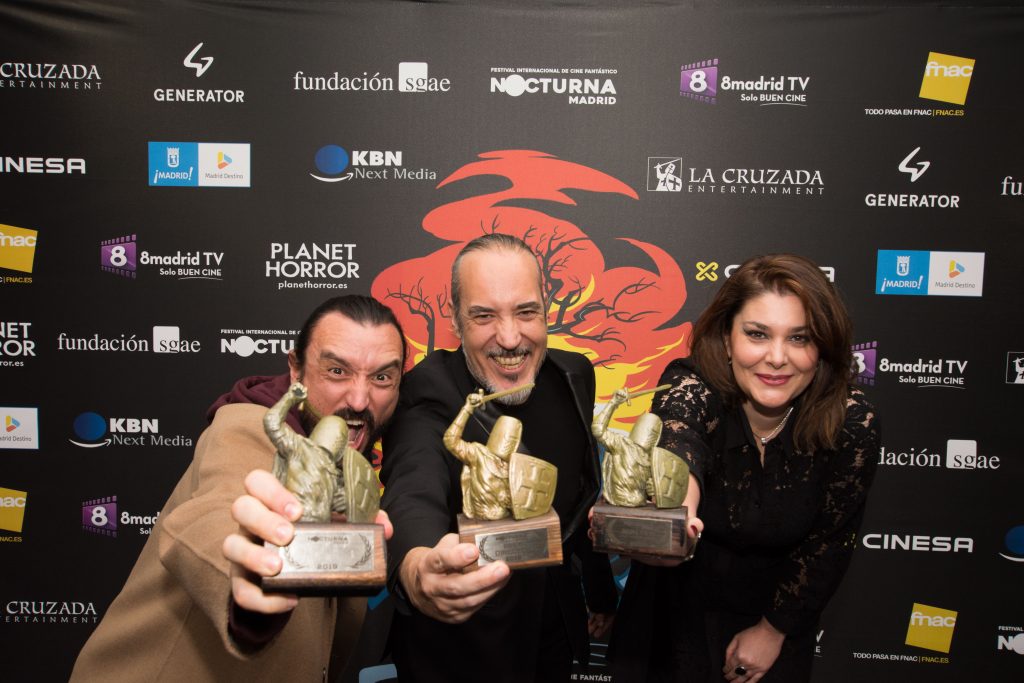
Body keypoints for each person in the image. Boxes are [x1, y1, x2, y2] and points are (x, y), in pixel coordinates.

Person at [70, 295, 405, 683]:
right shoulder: (248, 428)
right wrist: (248, 582)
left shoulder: (350, 467)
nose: (359, 399)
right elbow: (219, 512)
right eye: (336, 371)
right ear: (296, 372)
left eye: (381, 377)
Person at [608, 254, 879, 683]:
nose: (776, 358)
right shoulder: (691, 385)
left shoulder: (851, 423)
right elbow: (680, 454)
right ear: (727, 338)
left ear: (823, 347)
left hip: (776, 618)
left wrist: (773, 631)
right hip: (672, 617)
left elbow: (829, 544)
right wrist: (677, 519)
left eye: (799, 338)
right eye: (757, 334)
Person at [379, 233, 618, 682]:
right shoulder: (428, 391)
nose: (510, 338)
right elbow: (414, 486)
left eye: (526, 312)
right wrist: (419, 568)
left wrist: (603, 596)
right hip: (464, 650)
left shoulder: (574, 375)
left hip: (556, 637)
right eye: (484, 316)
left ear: (545, 308)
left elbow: (582, 493)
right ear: (455, 320)